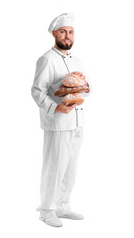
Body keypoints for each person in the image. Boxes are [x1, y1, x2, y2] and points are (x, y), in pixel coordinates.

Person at [31, 13, 92, 227]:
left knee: (71, 167)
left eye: (71, 32)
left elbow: (86, 87)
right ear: (55, 34)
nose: (67, 36)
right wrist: (56, 106)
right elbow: (37, 91)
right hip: (58, 123)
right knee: (54, 167)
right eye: (63, 32)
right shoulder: (47, 59)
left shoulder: (77, 60)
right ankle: (47, 210)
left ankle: (63, 205)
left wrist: (84, 87)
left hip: (78, 121)